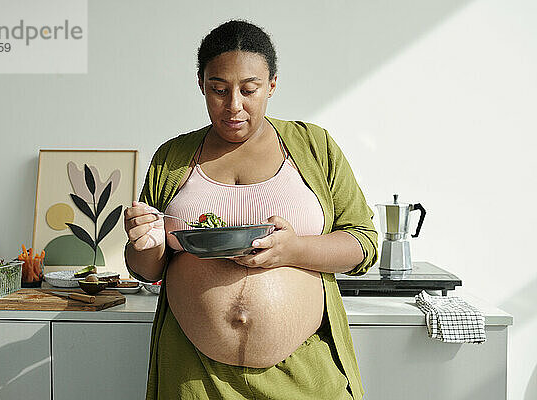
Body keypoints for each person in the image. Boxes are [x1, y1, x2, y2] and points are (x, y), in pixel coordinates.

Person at [124, 20, 377, 400]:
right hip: (194, 376)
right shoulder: (172, 157)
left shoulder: (315, 147)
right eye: (218, 90)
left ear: (271, 85)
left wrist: (294, 250)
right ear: (201, 84)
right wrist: (144, 243)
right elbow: (146, 268)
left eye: (249, 89)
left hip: (303, 373)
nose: (233, 106)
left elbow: (363, 244)